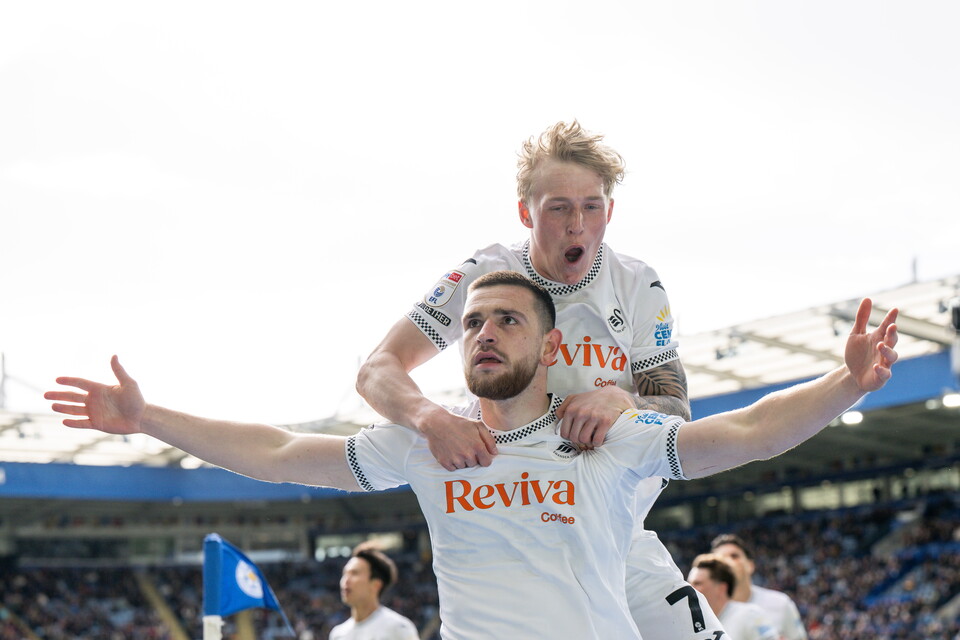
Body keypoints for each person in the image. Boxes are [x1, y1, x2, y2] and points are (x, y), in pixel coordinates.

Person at [46, 272, 898, 640]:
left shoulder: (602, 436)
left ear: (550, 343)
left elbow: (746, 433)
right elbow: (276, 451)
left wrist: (844, 385)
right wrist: (151, 416)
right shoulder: (427, 444)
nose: (485, 333)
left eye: (509, 321)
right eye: (473, 324)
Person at [356, 121, 712, 638]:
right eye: (558, 208)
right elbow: (376, 369)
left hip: (620, 533)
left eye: (592, 207)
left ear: (609, 211)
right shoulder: (486, 275)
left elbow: (677, 410)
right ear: (526, 211)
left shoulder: (637, 284)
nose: (577, 227)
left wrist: (618, 398)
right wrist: (431, 419)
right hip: (521, 524)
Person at [711, 534, 808, 640]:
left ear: (750, 565)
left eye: (734, 556)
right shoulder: (709, 615)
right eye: (720, 560)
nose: (728, 562)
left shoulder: (780, 603)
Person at [329, 542, 419, 640]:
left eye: (354, 573)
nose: (345, 580)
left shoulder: (398, 628)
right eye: (345, 574)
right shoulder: (338, 634)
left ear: (376, 584)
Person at [687, 554, 778, 640]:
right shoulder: (694, 624)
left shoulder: (750, 616)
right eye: (689, 583)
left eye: (697, 583)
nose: (690, 588)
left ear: (721, 588)